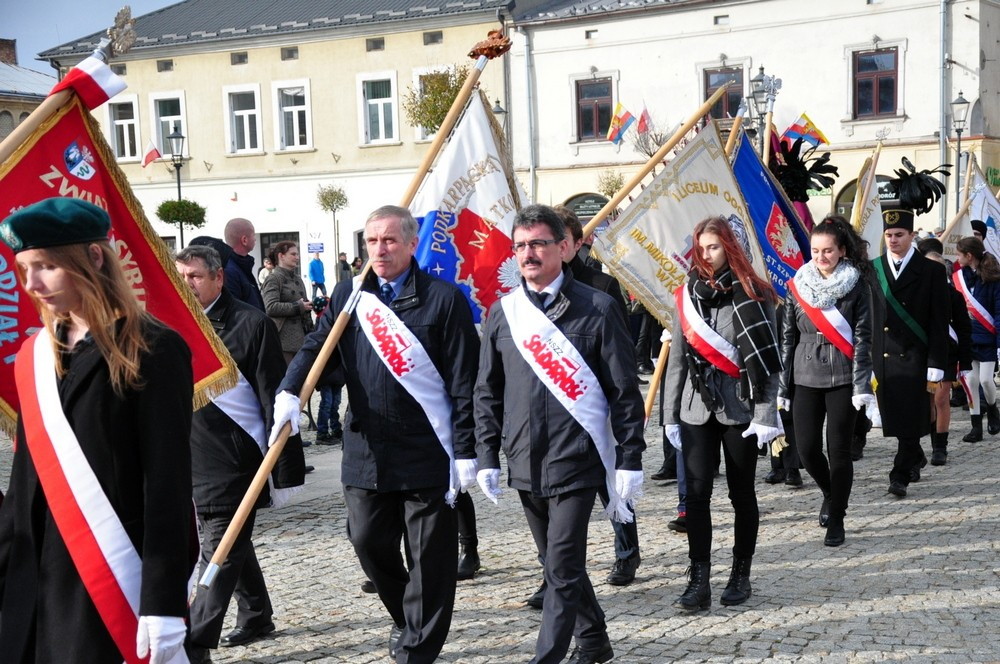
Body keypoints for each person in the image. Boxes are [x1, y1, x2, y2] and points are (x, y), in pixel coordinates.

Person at [272, 205, 480, 663]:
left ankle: (417, 650)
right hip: (366, 447)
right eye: (371, 241)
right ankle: (407, 620)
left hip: (426, 448)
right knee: (367, 541)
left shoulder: (443, 300)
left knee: (429, 561)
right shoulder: (350, 293)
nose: (380, 250)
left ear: (410, 244)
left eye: (389, 240)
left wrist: (467, 449)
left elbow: (466, 380)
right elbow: (316, 345)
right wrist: (290, 390)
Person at [0, 198, 193, 663]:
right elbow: (26, 480)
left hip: (106, 573)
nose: (32, 284)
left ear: (92, 257)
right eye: (24, 268)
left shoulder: (153, 349)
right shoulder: (36, 357)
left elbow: (166, 483)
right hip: (32, 576)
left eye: (47, 266)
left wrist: (162, 601)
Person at [476, 204, 645, 664]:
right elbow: (487, 390)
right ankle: (594, 642)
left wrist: (630, 457)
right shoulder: (503, 313)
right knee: (554, 564)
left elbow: (624, 391)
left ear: (566, 247)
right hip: (524, 458)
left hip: (578, 458)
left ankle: (545, 657)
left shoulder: (599, 307)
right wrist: (487, 453)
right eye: (521, 245)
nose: (528, 254)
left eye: (539, 243)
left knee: (564, 566)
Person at [175, 245, 306, 662]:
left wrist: (285, 469)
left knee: (220, 547)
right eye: (180, 276)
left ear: (218, 277)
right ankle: (256, 613)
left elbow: (275, 395)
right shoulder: (171, 322)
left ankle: (194, 643)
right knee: (231, 540)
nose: (187, 284)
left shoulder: (251, 324)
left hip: (234, 459)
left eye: (194, 276)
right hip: (189, 455)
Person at [663, 216, 782, 611]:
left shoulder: (756, 293)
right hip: (696, 409)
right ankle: (699, 580)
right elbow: (677, 359)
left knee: (741, 493)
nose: (706, 254)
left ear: (729, 248)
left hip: (740, 408)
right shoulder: (687, 295)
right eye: (701, 247)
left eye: (713, 247)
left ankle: (740, 573)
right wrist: (668, 415)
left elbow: (769, 363)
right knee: (695, 495)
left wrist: (766, 414)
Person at [553, 204, 641, 587]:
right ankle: (556, 568)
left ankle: (626, 551)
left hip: (595, 399)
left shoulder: (602, 286)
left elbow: (619, 350)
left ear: (575, 243)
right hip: (554, 401)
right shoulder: (532, 287)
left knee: (610, 481)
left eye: (559, 240)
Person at [779, 216, 874, 547]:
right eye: (816, 250)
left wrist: (862, 385)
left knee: (839, 451)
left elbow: (863, 339)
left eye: (828, 251)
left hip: (843, 377)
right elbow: (787, 339)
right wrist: (782, 387)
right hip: (805, 376)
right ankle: (831, 494)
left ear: (842, 251)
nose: (821, 257)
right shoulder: (797, 286)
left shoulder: (857, 286)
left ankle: (837, 517)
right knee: (805, 450)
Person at [870, 205, 949, 497]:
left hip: (916, 355)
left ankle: (899, 473)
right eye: (889, 234)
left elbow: (940, 320)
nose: (893, 240)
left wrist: (938, 361)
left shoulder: (931, 271)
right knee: (895, 416)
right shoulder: (872, 268)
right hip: (883, 355)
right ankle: (915, 454)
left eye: (899, 234)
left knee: (912, 414)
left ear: (912, 235)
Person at [921, 250, 972, 464]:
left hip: (946, 353)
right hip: (922, 354)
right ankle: (930, 440)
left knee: (941, 399)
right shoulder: (916, 293)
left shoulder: (953, 295)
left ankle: (940, 447)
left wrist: (966, 359)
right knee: (927, 402)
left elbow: (963, 328)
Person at [954, 236, 1000, 442]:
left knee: (985, 380)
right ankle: (975, 426)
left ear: (969, 255)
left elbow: (999, 313)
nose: (956, 258)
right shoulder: (959, 279)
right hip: (966, 339)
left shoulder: (993, 279)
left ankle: (992, 409)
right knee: (970, 381)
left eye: (958, 254)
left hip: (987, 339)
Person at [262, 241, 314, 366]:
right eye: (293, 254)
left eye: (297, 254)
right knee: (289, 382)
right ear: (281, 256)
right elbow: (270, 307)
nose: (297, 257)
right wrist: (298, 306)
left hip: (303, 338)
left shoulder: (298, 279)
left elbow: (304, 304)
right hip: (284, 342)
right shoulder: (274, 278)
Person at [223, 217, 266, 310]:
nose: (255, 239)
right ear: (244, 240)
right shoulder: (230, 271)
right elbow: (236, 314)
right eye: (253, 235)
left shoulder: (241, 265)